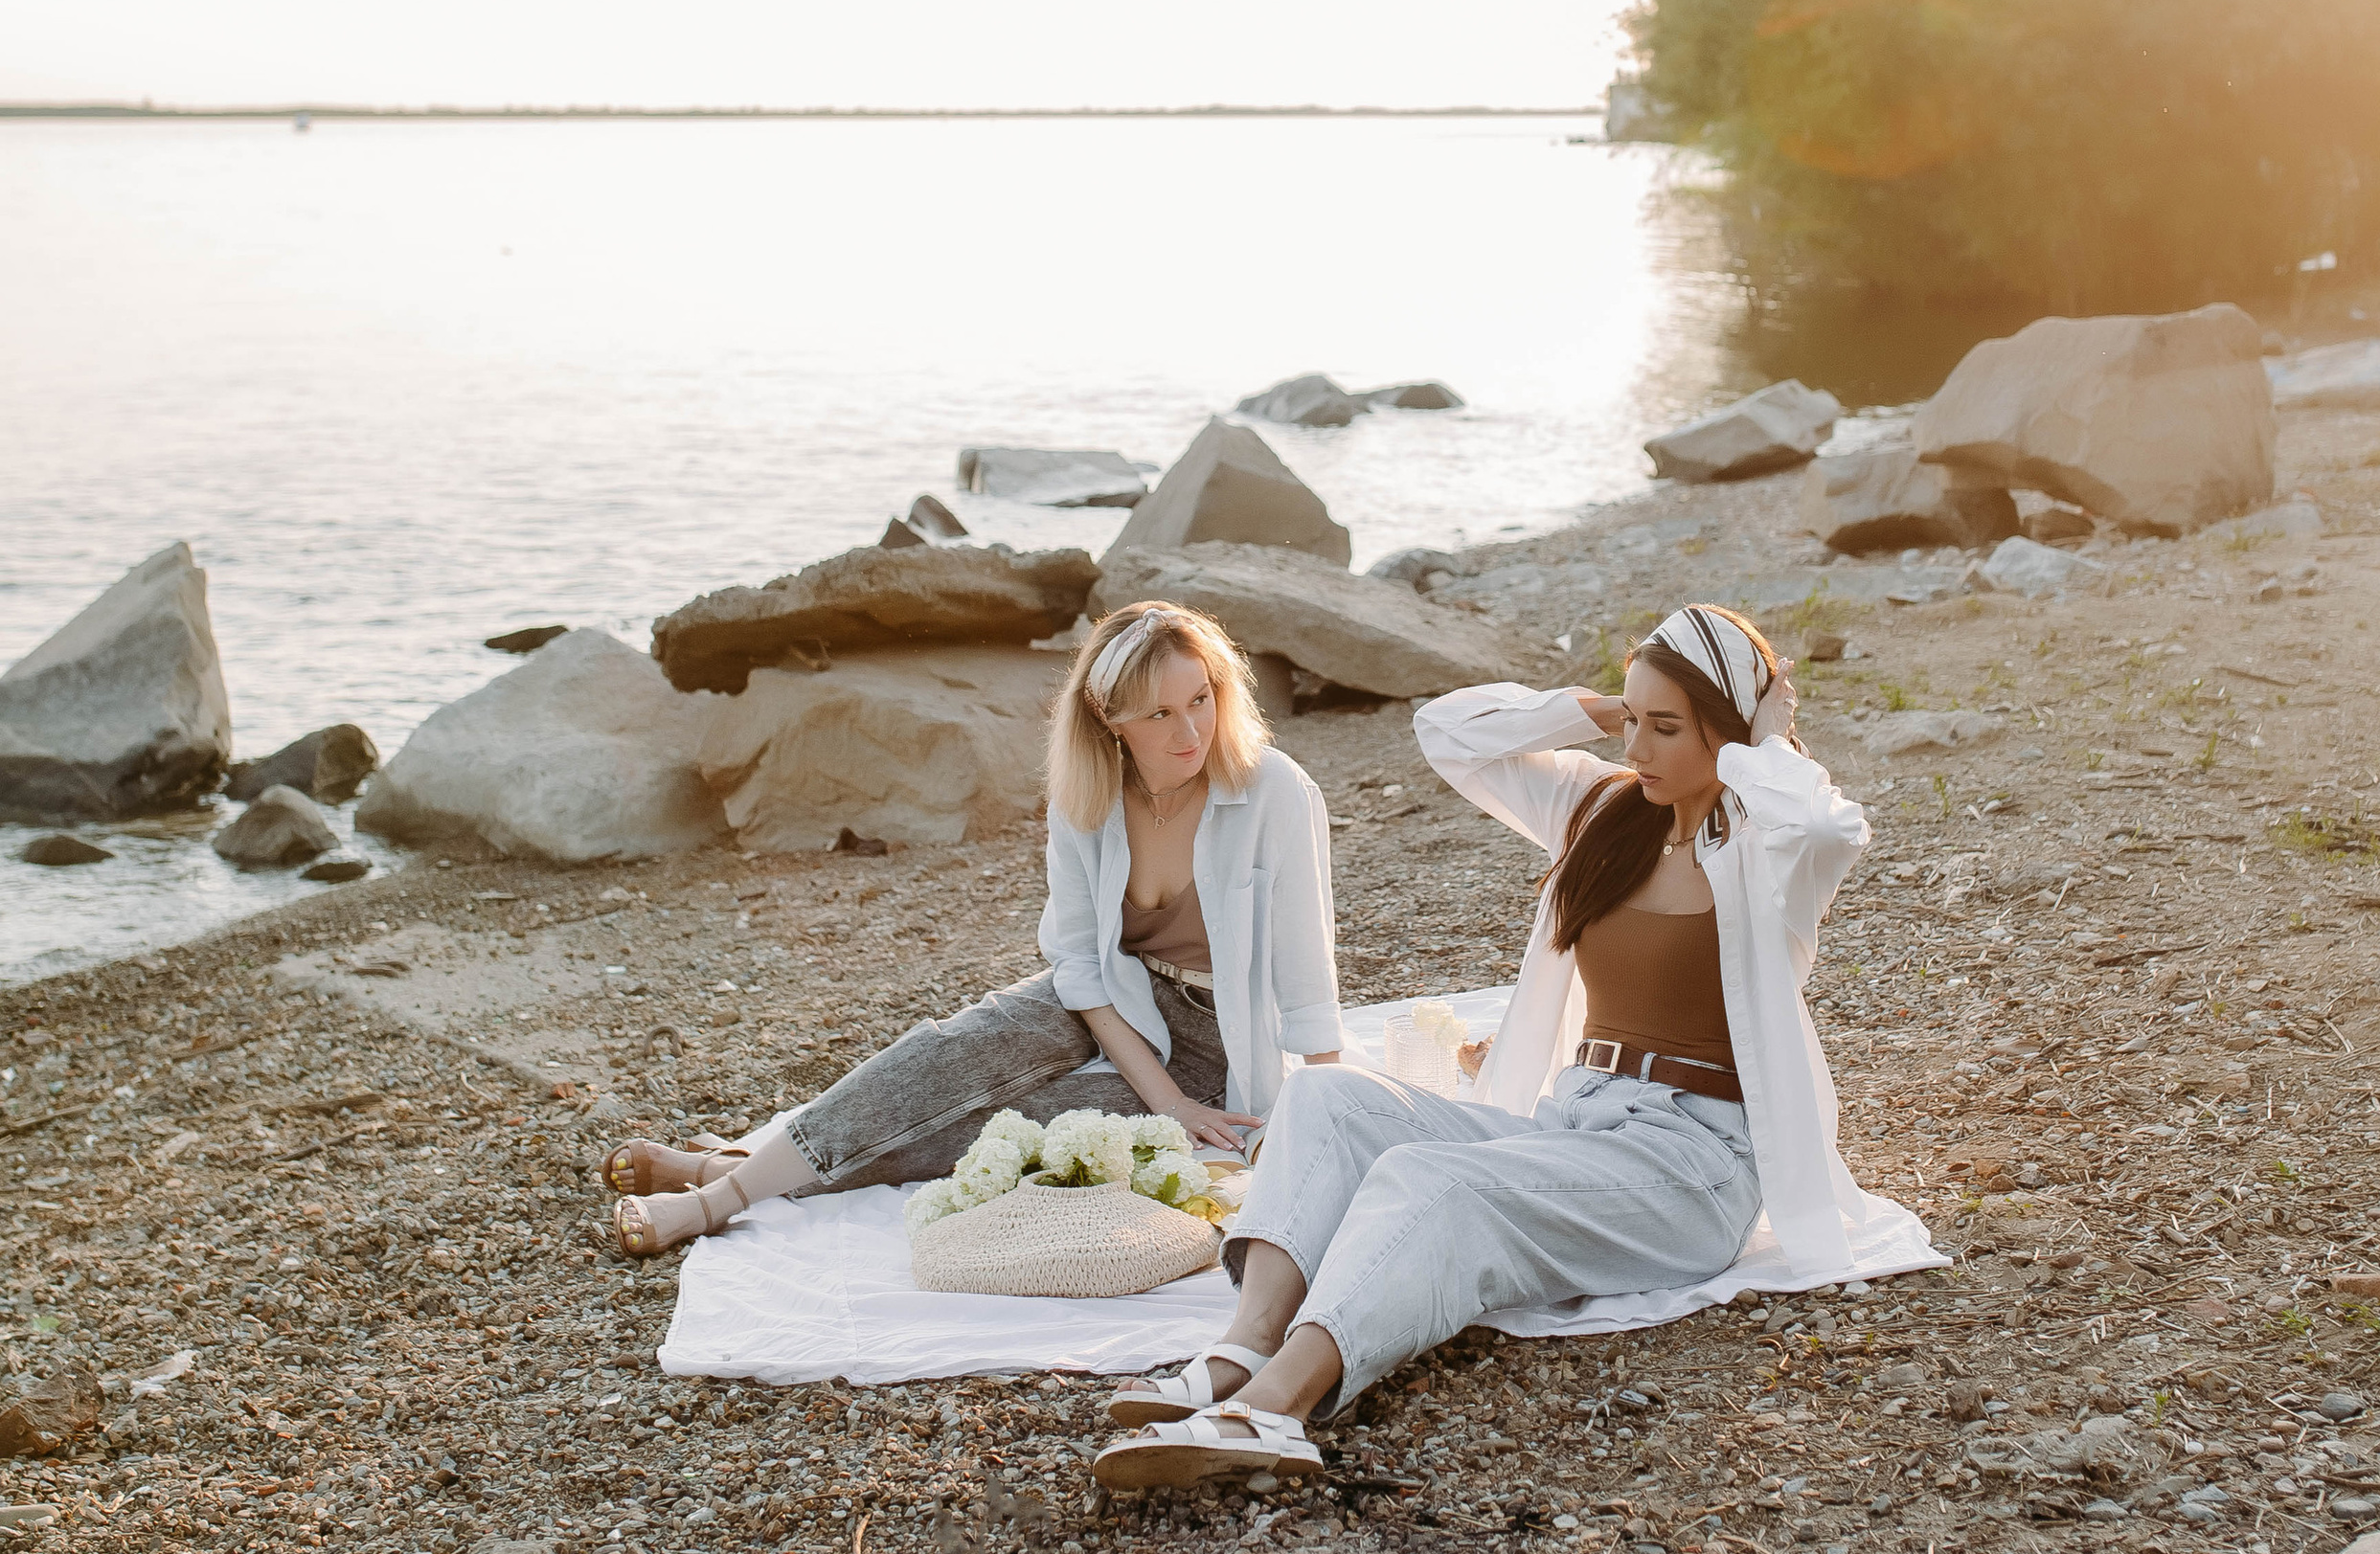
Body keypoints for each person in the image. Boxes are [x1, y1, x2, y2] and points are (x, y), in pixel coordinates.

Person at [1094, 601, 1880, 1490]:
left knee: (1433, 1181)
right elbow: (1449, 733)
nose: (1639, 750)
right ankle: (1241, 1347)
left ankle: (1274, 1410)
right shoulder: (1602, 812)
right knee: (1323, 1096)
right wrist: (1591, 710)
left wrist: (1761, 740)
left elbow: (1830, 827)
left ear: (1731, 734)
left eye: (1666, 729)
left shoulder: (1769, 848)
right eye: (1633, 721)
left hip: (1694, 1163)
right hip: (1574, 1125)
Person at [602, 597, 1345, 1256]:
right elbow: (1082, 967)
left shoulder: (1272, 787)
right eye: (1158, 713)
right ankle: (715, 1203)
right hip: (1112, 998)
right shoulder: (1087, 798)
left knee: (1011, 1126)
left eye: (1201, 698)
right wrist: (1164, 1097)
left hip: (1219, 1037)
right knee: (945, 1056)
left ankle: (725, 1169)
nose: (1190, 730)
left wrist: (1321, 1118)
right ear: (1108, 718)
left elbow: (1308, 973)